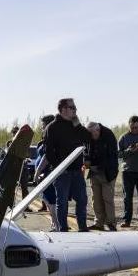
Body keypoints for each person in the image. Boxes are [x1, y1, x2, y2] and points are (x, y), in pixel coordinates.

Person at [44, 98, 92, 231]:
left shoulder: (75, 125)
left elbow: (87, 138)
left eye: (75, 108)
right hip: (61, 173)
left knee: (82, 200)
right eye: (73, 108)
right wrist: (59, 168)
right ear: (63, 109)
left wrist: (77, 123)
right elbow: (48, 152)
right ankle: (63, 229)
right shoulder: (52, 128)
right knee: (62, 202)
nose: (75, 110)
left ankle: (82, 227)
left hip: (77, 171)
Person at [84, 122, 118, 231]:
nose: (90, 137)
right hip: (94, 172)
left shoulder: (109, 135)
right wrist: (87, 160)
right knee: (96, 199)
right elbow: (86, 150)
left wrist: (96, 165)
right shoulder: (89, 136)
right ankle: (98, 223)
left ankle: (111, 223)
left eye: (91, 134)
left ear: (97, 130)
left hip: (108, 172)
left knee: (107, 198)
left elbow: (112, 156)